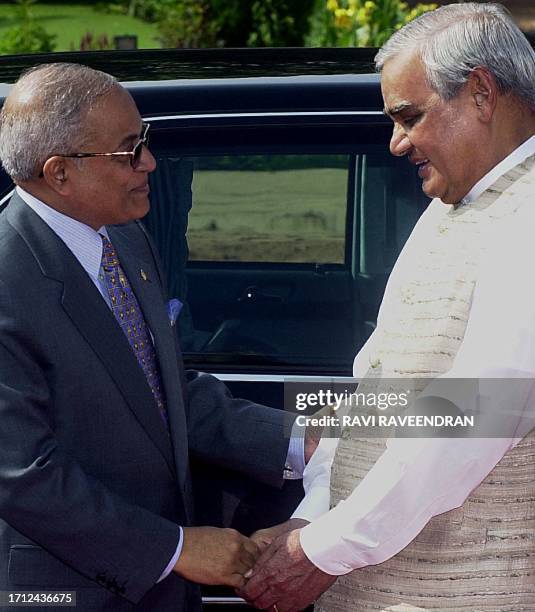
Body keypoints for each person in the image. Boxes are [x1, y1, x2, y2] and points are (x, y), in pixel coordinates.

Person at [240, 4, 535, 611]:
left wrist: (325, 548)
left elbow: (474, 409)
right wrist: (315, 518)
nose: (396, 143)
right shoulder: (453, 206)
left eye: (408, 117)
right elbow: (379, 391)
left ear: (481, 92)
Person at [0, 63, 317, 611]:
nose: (148, 162)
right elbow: (21, 472)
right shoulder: (9, 278)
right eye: (129, 150)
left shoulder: (124, 239)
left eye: (144, 140)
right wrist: (175, 549)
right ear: (59, 173)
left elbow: (158, 388)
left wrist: (294, 440)